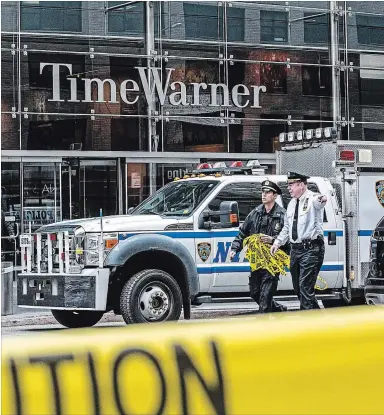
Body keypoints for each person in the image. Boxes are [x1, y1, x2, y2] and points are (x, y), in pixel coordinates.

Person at [271, 172, 327, 310]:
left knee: (304, 286)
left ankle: (307, 324)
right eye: (288, 185)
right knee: (298, 288)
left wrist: (322, 198)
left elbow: (321, 201)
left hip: (311, 249)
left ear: (301, 185)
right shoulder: (291, 204)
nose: (289, 188)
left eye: (291, 185)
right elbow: (287, 227)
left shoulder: (312, 199)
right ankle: (318, 318)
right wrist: (277, 242)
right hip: (295, 250)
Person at [230, 180, 287, 313]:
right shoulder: (255, 213)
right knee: (255, 292)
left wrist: (273, 241)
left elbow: (288, 239)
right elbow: (243, 233)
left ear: (275, 195)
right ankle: (278, 309)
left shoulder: (283, 215)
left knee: (265, 296)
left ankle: (264, 326)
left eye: (267, 192)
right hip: (257, 261)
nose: (264, 195)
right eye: (263, 192)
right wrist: (234, 249)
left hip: (272, 262)